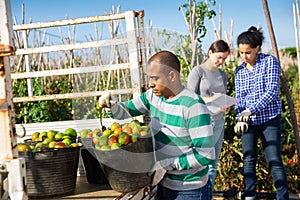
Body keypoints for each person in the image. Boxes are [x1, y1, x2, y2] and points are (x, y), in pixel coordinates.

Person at [99, 50, 215, 200]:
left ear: (172, 76)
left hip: (189, 189)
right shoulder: (152, 96)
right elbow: (124, 112)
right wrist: (111, 105)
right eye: (149, 78)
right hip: (162, 184)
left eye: (155, 78)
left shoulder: (193, 106)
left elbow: (206, 154)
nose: (150, 84)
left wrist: (169, 164)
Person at [234, 26, 289, 200]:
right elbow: (239, 98)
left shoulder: (269, 62)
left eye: (248, 52)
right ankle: (249, 196)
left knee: (274, 161)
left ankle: (283, 197)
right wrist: (239, 117)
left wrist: (251, 110)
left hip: (269, 119)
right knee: (249, 159)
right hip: (247, 121)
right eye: (241, 53)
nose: (244, 56)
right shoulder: (240, 71)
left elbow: (271, 91)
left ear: (257, 48)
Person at [187, 39, 230, 189]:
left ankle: (208, 194)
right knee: (201, 162)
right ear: (210, 53)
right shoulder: (197, 72)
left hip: (218, 122)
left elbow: (222, 97)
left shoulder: (222, 75)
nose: (221, 61)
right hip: (202, 123)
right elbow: (190, 99)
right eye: (219, 57)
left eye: (224, 58)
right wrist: (212, 99)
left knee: (213, 164)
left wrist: (225, 105)